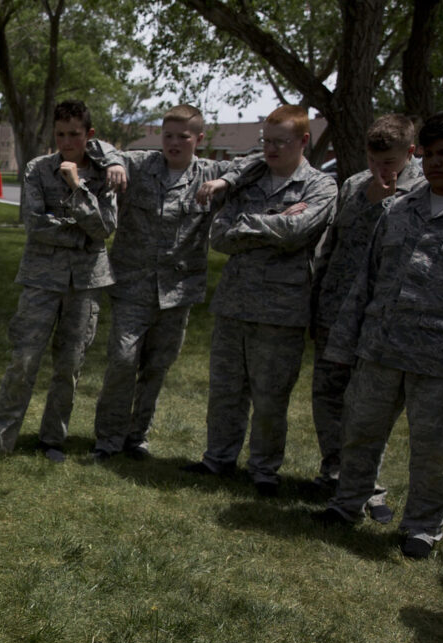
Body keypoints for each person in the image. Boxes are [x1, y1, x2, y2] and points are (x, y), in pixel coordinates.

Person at [319, 110, 443, 559]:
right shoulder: (398, 209)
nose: (435, 163)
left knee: (434, 453)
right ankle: (346, 504)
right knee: (358, 433)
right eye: (429, 154)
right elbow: (365, 283)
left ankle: (423, 527)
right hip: (379, 350)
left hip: (442, 361)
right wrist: (344, 343)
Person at [91, 104, 264, 461]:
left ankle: (137, 436)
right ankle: (108, 439)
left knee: (157, 366)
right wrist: (115, 163)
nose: (173, 143)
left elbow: (259, 161)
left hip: (177, 290)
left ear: (199, 138)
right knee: (123, 361)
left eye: (182, 137)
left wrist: (223, 181)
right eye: (167, 135)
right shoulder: (141, 164)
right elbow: (99, 147)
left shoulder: (210, 172)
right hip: (133, 284)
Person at [181, 104, 337, 495]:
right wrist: (276, 217)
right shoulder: (244, 183)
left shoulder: (320, 186)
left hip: (282, 312)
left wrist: (251, 225)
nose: (270, 150)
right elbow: (218, 236)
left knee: (270, 398)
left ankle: (264, 469)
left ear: (304, 141)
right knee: (225, 391)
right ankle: (218, 459)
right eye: (266, 142)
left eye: (280, 142)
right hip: (235, 304)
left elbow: (297, 233)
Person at [0, 99, 118, 465]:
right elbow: (35, 224)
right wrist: (82, 232)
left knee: (69, 366)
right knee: (23, 360)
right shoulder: (37, 169)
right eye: (61, 134)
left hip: (84, 284)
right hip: (41, 280)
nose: (67, 142)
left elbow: (107, 227)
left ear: (90, 135)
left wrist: (76, 185)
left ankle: (53, 439)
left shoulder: (104, 174)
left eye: (75, 135)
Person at [309, 114, 423, 521]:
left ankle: (368, 487)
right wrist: (316, 300)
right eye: (374, 160)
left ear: (411, 153)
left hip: (378, 318)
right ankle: (334, 470)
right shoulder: (355, 185)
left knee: (368, 406)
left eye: (389, 161)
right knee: (327, 395)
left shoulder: (423, 192)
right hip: (334, 309)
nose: (381, 169)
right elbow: (332, 246)